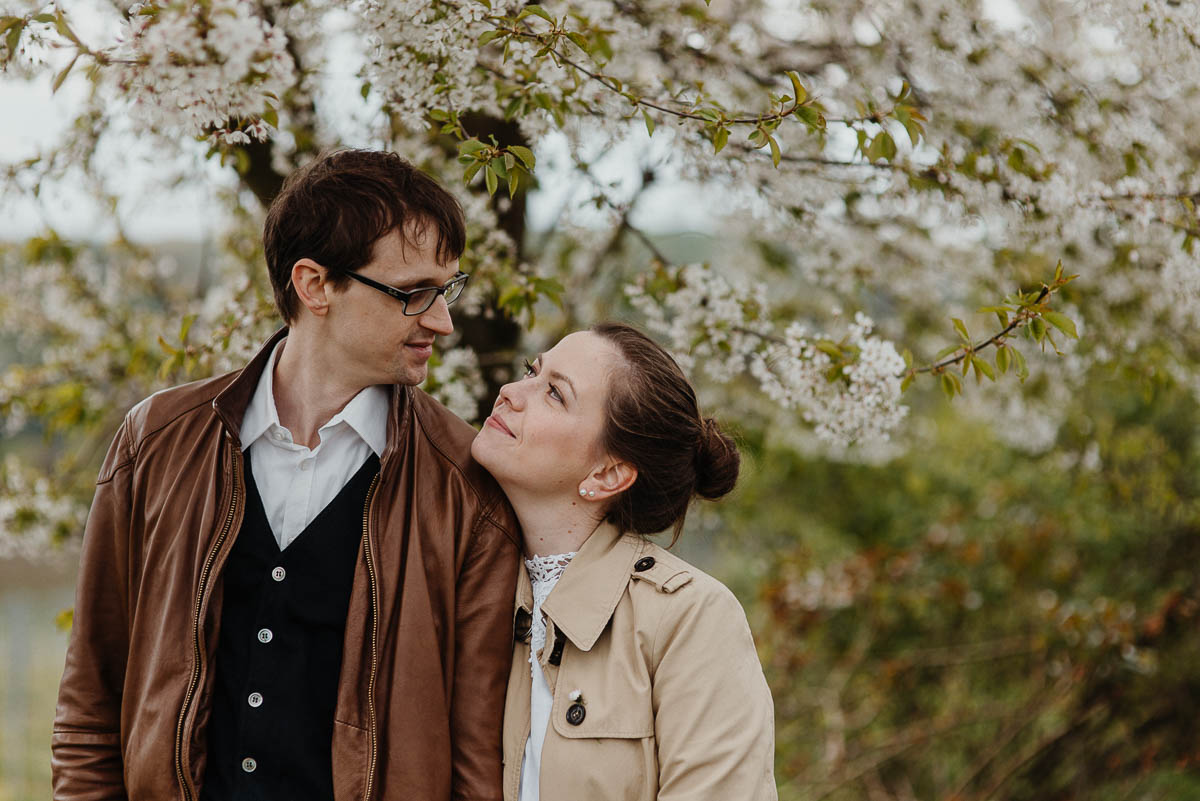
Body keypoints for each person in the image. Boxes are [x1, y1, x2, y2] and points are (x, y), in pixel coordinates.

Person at [52, 149, 521, 801]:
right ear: (313, 284)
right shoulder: (156, 441)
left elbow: (479, 763)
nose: (441, 319)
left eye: (447, 289)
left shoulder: (466, 487)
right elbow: (89, 708)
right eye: (413, 293)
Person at [470, 322, 778, 801]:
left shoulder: (690, 618)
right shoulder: (468, 588)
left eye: (554, 393)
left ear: (609, 472)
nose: (510, 392)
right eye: (531, 371)